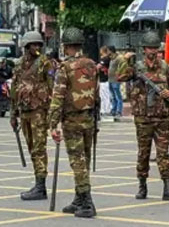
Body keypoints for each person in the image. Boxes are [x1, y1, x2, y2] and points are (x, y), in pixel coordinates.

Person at [117, 31, 169, 202]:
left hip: (161, 118)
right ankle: (142, 186)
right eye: (149, 48)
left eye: (155, 48)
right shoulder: (137, 67)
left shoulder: (166, 68)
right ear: (143, 50)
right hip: (143, 118)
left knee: (164, 154)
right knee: (143, 153)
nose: (153, 51)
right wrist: (125, 60)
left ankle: (168, 188)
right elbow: (120, 76)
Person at [48, 27, 99, 218]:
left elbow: (58, 96)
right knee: (84, 159)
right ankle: (79, 198)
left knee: (78, 161)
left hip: (72, 120)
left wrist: (53, 125)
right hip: (89, 119)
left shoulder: (65, 68)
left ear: (66, 46)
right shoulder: (92, 65)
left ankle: (86, 202)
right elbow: (96, 94)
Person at [9, 31, 55, 201]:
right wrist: (13, 114)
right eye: (33, 45)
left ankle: (41, 186)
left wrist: (53, 113)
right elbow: (14, 90)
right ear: (26, 47)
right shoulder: (19, 64)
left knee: (39, 148)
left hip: (39, 111)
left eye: (38, 45)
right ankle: (38, 182)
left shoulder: (45, 64)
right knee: (31, 148)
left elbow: (53, 88)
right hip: (24, 111)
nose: (36, 48)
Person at [106, 45, 123, 121]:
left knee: (117, 95)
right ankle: (114, 110)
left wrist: (119, 75)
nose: (107, 52)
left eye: (108, 50)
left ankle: (119, 111)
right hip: (110, 79)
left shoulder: (118, 58)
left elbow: (122, 67)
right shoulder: (111, 58)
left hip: (116, 80)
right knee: (113, 96)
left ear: (111, 50)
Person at [97, 46, 112, 117]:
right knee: (102, 95)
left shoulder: (105, 59)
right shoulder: (103, 58)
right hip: (102, 79)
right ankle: (103, 109)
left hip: (104, 79)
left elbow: (99, 66)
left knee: (105, 95)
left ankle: (107, 109)